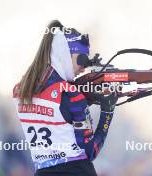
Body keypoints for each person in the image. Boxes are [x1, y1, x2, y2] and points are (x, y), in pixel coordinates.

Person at [12, 20, 118, 176]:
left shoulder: (20, 91)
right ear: (65, 54)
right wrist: (107, 112)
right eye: (81, 59)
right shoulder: (71, 94)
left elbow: (56, 117)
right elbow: (91, 151)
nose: (83, 67)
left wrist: (86, 99)